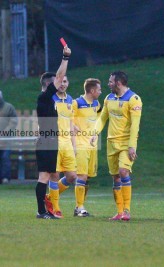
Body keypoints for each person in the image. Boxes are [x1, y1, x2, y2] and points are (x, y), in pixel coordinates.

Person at [95, 71, 142, 221]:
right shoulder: (109, 98)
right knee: (115, 177)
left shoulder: (134, 100)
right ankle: (120, 211)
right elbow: (102, 119)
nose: (108, 84)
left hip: (126, 143)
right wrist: (93, 133)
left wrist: (132, 146)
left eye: (110, 82)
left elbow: (135, 126)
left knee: (123, 172)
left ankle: (127, 210)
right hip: (111, 143)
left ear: (119, 83)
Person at [35, 45, 71, 219]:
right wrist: (65, 57)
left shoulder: (47, 99)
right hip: (47, 141)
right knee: (44, 176)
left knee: (49, 176)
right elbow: (60, 76)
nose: (60, 82)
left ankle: (45, 210)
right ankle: (41, 211)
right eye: (56, 82)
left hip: (50, 141)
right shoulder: (44, 97)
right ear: (49, 85)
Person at [44, 75, 78, 219]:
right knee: (54, 174)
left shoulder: (70, 100)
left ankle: (50, 197)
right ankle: (56, 209)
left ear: (68, 83)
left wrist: (74, 145)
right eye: (60, 82)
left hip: (67, 143)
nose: (62, 84)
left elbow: (71, 124)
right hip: (54, 141)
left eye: (65, 81)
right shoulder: (50, 99)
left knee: (71, 176)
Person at [71, 78, 102, 217]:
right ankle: (80, 207)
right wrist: (73, 126)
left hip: (92, 146)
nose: (101, 92)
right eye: (99, 90)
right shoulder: (77, 103)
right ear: (92, 90)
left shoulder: (97, 104)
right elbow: (66, 118)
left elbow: (101, 119)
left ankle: (80, 206)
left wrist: (96, 133)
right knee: (81, 176)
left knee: (87, 177)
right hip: (80, 145)